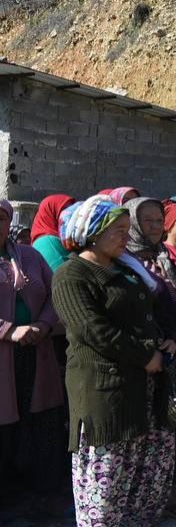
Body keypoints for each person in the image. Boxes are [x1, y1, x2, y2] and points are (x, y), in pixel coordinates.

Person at [52, 196, 176, 527]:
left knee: (146, 483)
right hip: (107, 393)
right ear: (93, 232)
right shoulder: (72, 274)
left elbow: (146, 314)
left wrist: (164, 340)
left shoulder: (125, 270)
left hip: (146, 390)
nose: (125, 236)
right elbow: (94, 331)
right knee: (106, 490)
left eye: (126, 229)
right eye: (117, 230)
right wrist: (145, 355)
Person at [124, 197, 176, 518]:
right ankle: (134, 501)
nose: (155, 227)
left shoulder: (162, 257)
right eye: (148, 221)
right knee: (141, 430)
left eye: (159, 220)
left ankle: (160, 497)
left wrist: (174, 338)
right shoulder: (126, 261)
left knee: (163, 429)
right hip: (142, 357)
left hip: (171, 350)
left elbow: (174, 306)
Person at [0, 199, 65, 518]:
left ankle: (40, 495)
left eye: (0, 218)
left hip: (36, 353)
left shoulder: (30, 256)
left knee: (40, 421)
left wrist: (43, 324)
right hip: (3, 358)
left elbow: (56, 294)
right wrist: (8, 330)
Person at [29, 193, 74, 271]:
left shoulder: (61, 239)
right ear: (51, 212)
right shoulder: (47, 242)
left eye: (72, 209)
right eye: (64, 210)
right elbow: (67, 276)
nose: (70, 214)